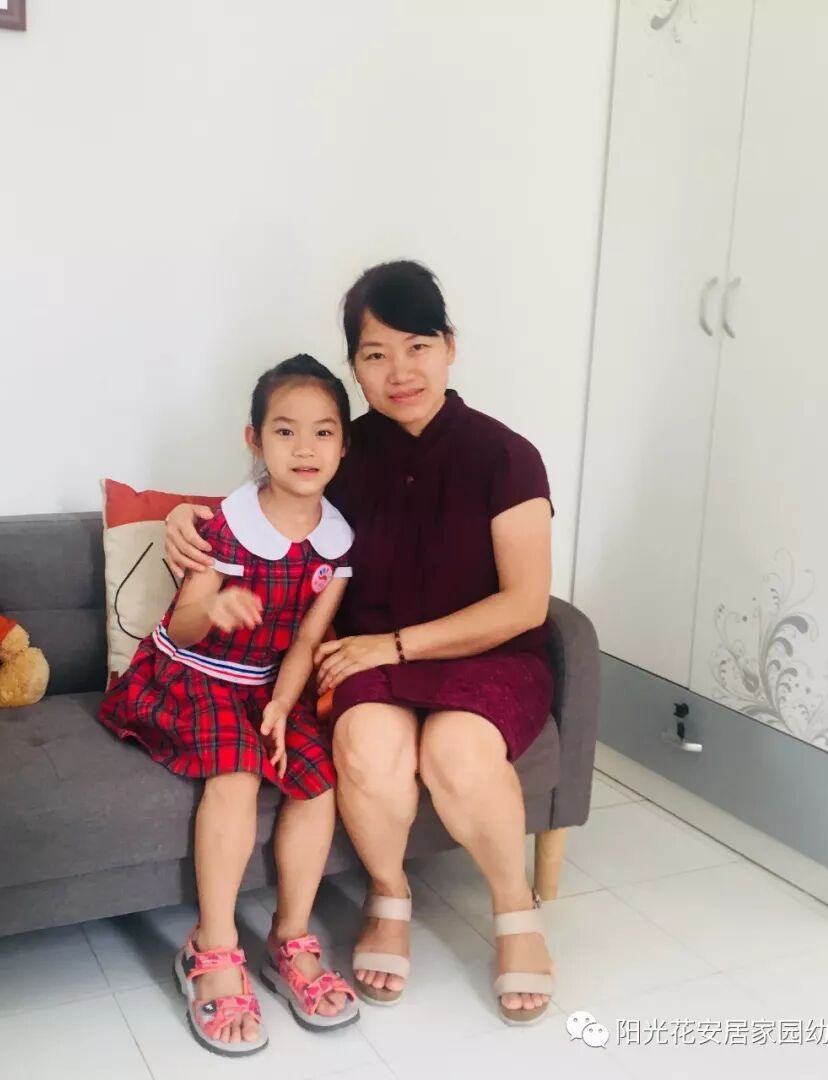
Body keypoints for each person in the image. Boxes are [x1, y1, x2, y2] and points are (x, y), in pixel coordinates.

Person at [165, 261, 555, 1026]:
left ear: (449, 347)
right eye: (376, 354)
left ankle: (516, 909)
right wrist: (188, 516)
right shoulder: (343, 450)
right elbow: (271, 501)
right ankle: (389, 894)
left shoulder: (506, 456)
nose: (399, 371)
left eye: (418, 347)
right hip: (369, 655)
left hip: (487, 656)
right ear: (355, 365)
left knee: (457, 752)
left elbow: (525, 603)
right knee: (366, 746)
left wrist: (396, 646)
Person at [99, 355, 360, 1057]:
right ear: (255, 440)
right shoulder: (225, 526)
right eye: (285, 431)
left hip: (266, 685)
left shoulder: (338, 541)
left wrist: (283, 705)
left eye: (323, 432)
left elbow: (306, 640)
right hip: (194, 674)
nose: (304, 448)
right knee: (238, 772)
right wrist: (213, 606)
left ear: (343, 444)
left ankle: (290, 936)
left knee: (316, 779)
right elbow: (183, 625)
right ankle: (210, 947)